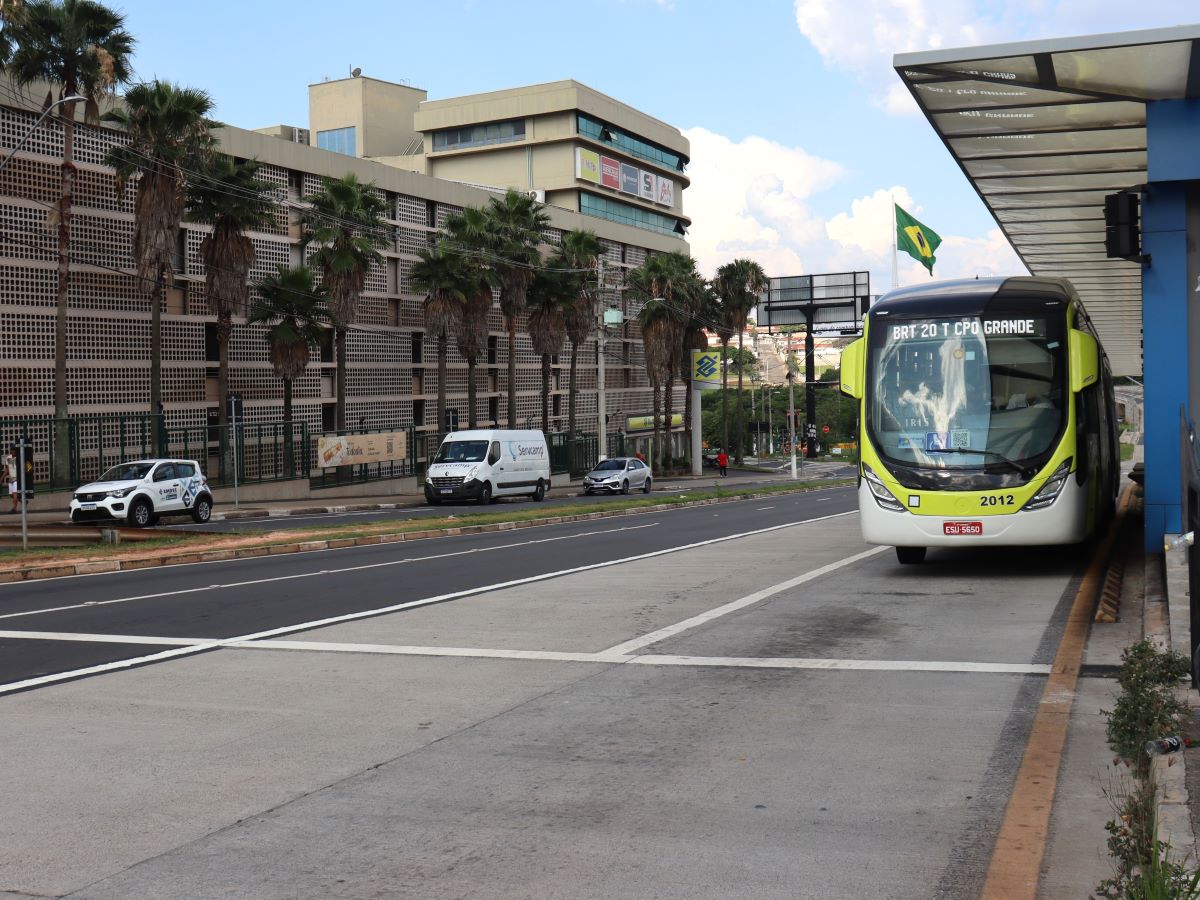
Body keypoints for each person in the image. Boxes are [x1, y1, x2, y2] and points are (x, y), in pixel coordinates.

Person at [4, 445, 16, 513]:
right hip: (11, 478)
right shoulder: (8, 458)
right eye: (12, 450)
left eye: (14, 450)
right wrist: (2, 478)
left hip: (16, 478)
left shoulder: (19, 457)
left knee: (14, 494)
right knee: (11, 494)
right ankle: (22, 500)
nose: (13, 451)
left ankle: (14, 509)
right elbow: (7, 469)